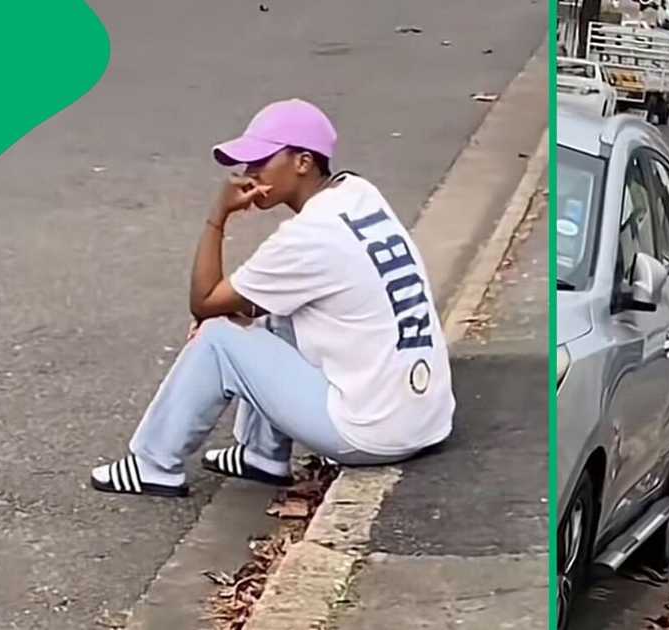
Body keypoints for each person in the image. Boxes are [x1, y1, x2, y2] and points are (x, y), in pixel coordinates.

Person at [90, 99, 455, 497]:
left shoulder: (310, 236)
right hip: (425, 419)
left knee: (217, 335)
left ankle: (154, 465)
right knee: (268, 311)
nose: (249, 174)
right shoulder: (357, 193)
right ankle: (262, 455)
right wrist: (234, 310)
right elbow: (251, 300)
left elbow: (205, 300)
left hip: (372, 435)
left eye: (261, 161)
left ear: (302, 162)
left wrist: (218, 215)